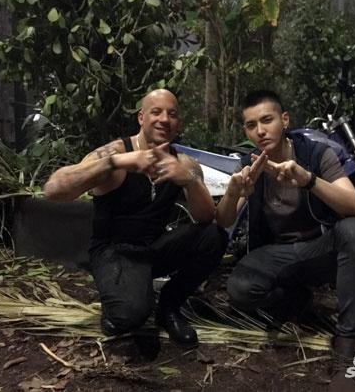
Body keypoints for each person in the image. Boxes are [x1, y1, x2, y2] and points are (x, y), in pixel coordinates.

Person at [215, 90, 355, 391]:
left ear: (284, 120)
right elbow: (223, 220)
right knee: (239, 288)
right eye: (251, 125)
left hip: (321, 248)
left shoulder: (316, 154)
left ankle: (348, 342)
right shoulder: (249, 165)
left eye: (267, 120)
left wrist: (308, 180)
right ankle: (297, 300)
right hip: (280, 255)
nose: (260, 131)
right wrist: (234, 192)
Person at [44, 89, 227, 349]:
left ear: (178, 123)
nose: (164, 119)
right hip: (114, 252)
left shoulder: (183, 163)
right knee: (130, 315)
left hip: (154, 248)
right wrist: (117, 162)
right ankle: (122, 304)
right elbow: (53, 189)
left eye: (172, 114)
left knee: (214, 237)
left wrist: (188, 180)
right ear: (141, 117)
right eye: (156, 112)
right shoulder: (116, 153)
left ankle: (169, 307)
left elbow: (206, 217)